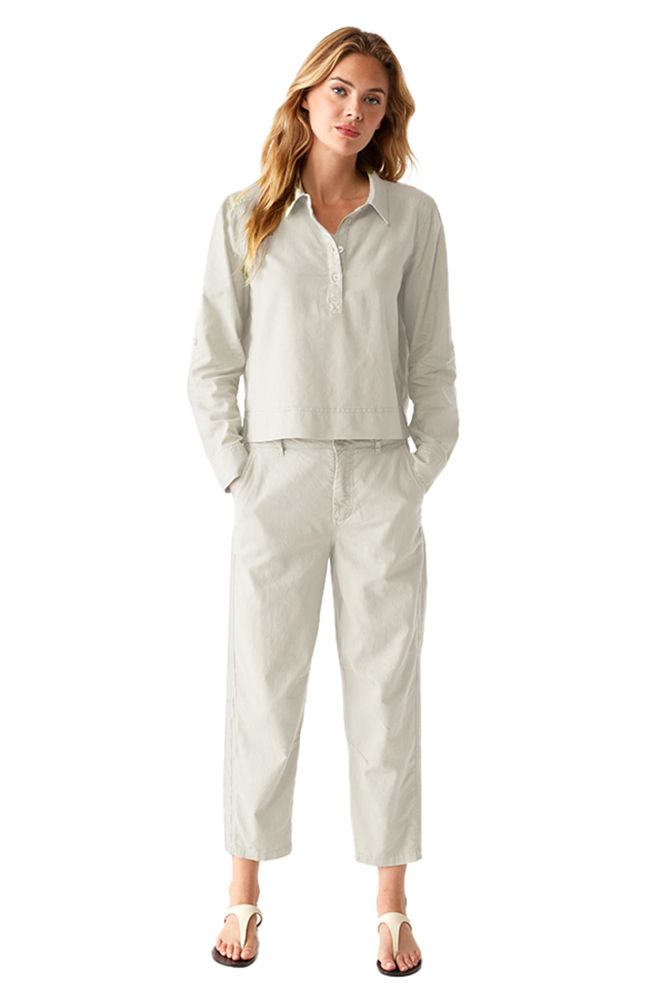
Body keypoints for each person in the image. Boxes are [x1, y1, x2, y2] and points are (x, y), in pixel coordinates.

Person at [186, 26, 459, 976]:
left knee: (385, 690)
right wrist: (240, 471)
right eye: (340, 90)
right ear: (306, 96)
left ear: (388, 115)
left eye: (373, 98)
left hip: (381, 478)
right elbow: (212, 364)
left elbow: (433, 362)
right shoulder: (246, 215)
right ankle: (243, 894)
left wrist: (416, 470)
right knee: (262, 686)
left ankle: (391, 906)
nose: (355, 110)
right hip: (278, 479)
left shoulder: (413, 219)